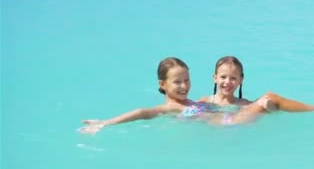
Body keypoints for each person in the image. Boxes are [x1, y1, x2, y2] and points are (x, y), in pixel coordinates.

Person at [78, 57, 213, 134]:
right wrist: (105, 123)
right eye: (177, 82)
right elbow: (142, 112)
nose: (184, 86)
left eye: (186, 80)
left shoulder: (192, 103)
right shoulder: (169, 108)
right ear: (162, 84)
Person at [198, 56, 314, 119]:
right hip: (224, 124)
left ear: (241, 80)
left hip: (236, 125)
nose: (227, 82)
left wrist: (270, 107)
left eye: (233, 78)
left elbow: (271, 113)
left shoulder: (244, 104)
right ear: (215, 78)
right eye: (223, 77)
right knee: (269, 96)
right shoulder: (205, 101)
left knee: (269, 99)